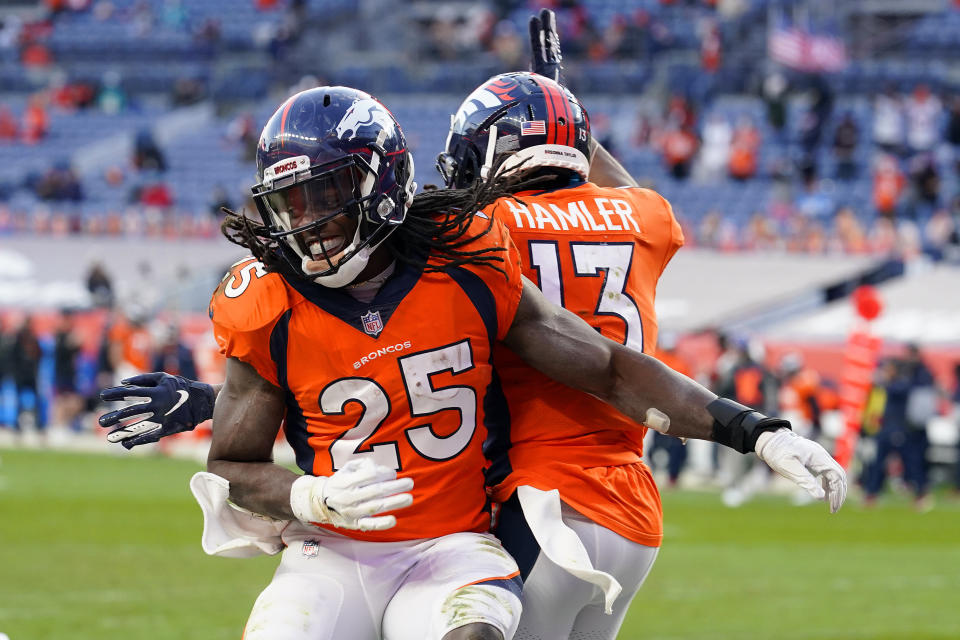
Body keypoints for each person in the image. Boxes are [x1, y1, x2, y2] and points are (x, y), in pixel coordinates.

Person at [100, 15, 846, 640]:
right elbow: (273, 430)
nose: (310, 224)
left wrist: (757, 430)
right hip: (391, 539)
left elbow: (607, 367)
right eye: (292, 203)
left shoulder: (470, 250)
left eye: (327, 195)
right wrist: (303, 496)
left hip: (488, 524)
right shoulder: (267, 299)